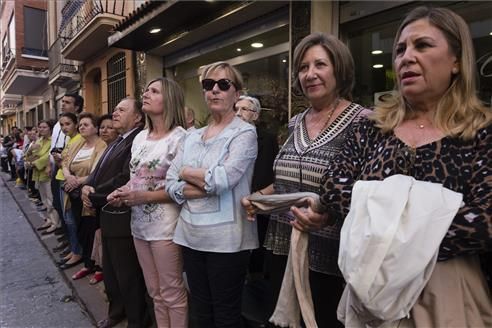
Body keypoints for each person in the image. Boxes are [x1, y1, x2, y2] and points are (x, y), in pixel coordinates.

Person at [292, 7, 492, 326]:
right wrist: (430, 210)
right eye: (400, 50)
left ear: (456, 60)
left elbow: (483, 222)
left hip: (446, 293)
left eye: (422, 45)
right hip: (368, 290)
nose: (406, 58)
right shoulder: (371, 127)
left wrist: (373, 213)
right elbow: (334, 187)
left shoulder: (482, 132)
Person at [241, 33, 370, 326]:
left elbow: (368, 196)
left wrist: (328, 216)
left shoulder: (363, 121)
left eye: (320, 65)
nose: (310, 74)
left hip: (330, 257)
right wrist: (258, 197)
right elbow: (286, 182)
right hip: (282, 248)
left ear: (339, 69)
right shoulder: (294, 122)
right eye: (303, 67)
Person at [166, 61, 258, 327]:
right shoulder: (191, 136)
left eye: (223, 84)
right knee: (201, 312)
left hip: (227, 242)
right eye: (208, 85)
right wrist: (193, 182)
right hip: (191, 236)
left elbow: (224, 179)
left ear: (237, 93)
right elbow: (170, 183)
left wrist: (185, 171)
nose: (215, 90)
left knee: (226, 315)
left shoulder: (245, 132)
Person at [106, 78, 188, 327]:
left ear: (170, 99)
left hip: (167, 227)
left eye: (154, 91)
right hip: (139, 225)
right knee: (154, 292)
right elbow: (136, 179)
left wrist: (143, 196)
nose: (146, 94)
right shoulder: (140, 138)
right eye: (146, 90)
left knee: (172, 292)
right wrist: (123, 191)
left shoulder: (181, 138)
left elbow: (182, 189)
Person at [81, 98, 151, 328]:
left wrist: (94, 194)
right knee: (110, 271)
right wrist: (88, 186)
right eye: (115, 109)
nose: (115, 113)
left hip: (123, 216)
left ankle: (136, 320)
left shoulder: (138, 140)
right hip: (107, 214)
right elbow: (99, 172)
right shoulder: (116, 141)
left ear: (138, 117)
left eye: (122, 110)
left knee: (127, 275)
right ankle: (116, 311)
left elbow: (124, 178)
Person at [236, 95, 279, 278]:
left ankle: (254, 279)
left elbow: (268, 171)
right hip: (232, 200)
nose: (238, 113)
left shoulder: (266, 139)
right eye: (236, 109)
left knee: (257, 247)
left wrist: (256, 196)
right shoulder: (227, 137)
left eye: (244, 109)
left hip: (255, 199)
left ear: (255, 115)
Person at [59, 113, 107, 273]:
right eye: (80, 125)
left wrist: (78, 181)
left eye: (86, 125)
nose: (81, 127)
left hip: (88, 193)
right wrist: (69, 177)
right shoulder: (77, 144)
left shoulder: (101, 145)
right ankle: (87, 262)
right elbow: (65, 162)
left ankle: (95, 265)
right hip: (72, 193)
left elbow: (97, 172)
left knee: (90, 230)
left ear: (95, 128)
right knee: (76, 226)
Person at [51, 113, 81, 254]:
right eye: (62, 125)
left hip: (68, 181)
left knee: (71, 220)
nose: (64, 127)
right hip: (61, 178)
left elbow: (72, 163)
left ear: (76, 124)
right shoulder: (69, 139)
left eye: (67, 124)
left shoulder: (79, 139)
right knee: (67, 219)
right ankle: (73, 249)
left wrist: (61, 161)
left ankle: (76, 251)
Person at [24, 120, 58, 233]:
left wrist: (33, 162)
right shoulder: (38, 141)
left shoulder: (53, 141)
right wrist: (30, 153)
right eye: (40, 127)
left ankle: (55, 223)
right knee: (44, 199)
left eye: (44, 127)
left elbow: (47, 157)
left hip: (47, 174)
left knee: (50, 199)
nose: (41, 129)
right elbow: (28, 155)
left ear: (50, 129)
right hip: (37, 173)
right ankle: (49, 219)